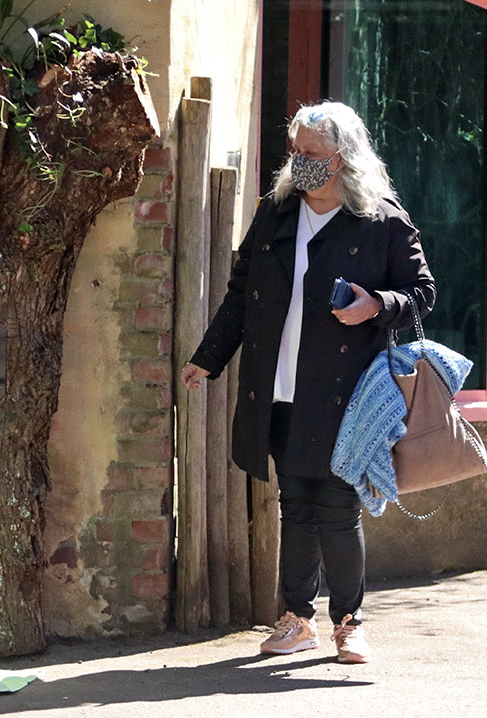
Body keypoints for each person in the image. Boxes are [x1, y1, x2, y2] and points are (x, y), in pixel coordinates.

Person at [179, 101, 435, 664]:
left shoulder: (382, 219)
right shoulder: (276, 213)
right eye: (295, 151)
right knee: (294, 503)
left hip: (346, 390)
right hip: (281, 386)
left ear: (342, 158)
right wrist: (209, 357)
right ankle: (297, 618)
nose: (300, 163)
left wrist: (377, 304)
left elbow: (422, 292)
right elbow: (240, 295)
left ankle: (349, 621)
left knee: (337, 505)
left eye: (312, 154)